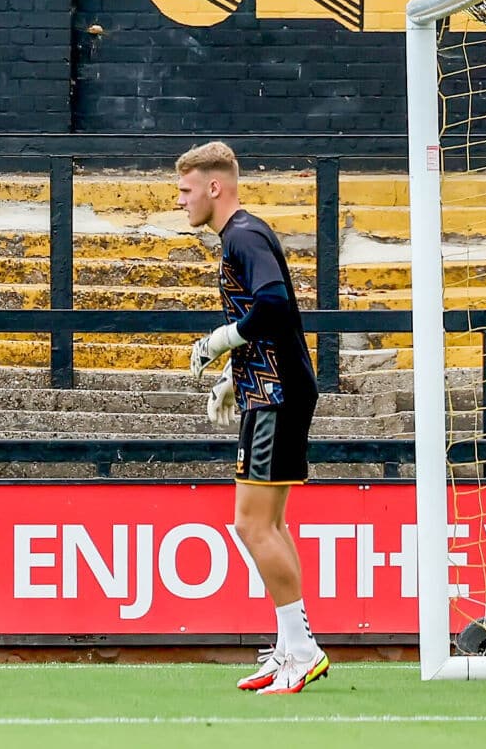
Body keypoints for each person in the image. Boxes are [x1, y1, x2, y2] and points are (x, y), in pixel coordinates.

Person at [178, 141, 327, 695]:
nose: (181, 201)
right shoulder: (241, 235)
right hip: (267, 388)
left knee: (252, 524)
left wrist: (221, 341)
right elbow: (269, 324)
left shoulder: (242, 234)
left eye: (187, 190)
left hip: (276, 395)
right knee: (269, 524)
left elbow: (273, 306)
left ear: (215, 186)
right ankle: (291, 646)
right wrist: (229, 378)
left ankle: (303, 649)